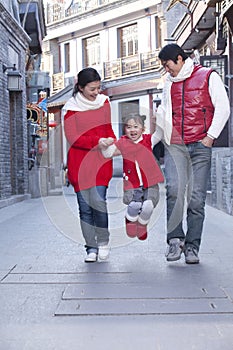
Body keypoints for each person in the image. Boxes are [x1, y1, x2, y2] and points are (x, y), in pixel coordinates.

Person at [155, 43, 230, 264]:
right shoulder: (168, 82)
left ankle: (192, 247)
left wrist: (210, 137)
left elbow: (223, 107)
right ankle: (174, 240)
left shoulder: (208, 76)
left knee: (196, 199)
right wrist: (151, 140)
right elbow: (164, 113)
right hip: (175, 144)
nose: (166, 70)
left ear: (179, 59)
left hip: (200, 145)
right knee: (174, 190)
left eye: (167, 65)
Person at [63, 67, 116, 263]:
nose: (96, 93)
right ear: (81, 87)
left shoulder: (104, 102)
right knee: (85, 208)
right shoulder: (70, 108)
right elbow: (73, 137)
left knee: (99, 203)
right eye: (92, 89)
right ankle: (90, 248)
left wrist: (111, 139)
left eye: (98, 88)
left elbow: (108, 128)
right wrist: (96, 141)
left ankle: (103, 242)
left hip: (100, 161)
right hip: (79, 162)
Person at [101, 114, 164, 240]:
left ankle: (142, 226)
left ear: (142, 128)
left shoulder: (148, 140)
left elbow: (160, 134)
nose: (132, 130)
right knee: (134, 206)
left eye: (136, 126)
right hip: (132, 184)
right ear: (125, 129)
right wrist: (104, 145)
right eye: (129, 127)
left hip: (150, 182)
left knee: (148, 206)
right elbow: (108, 154)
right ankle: (130, 220)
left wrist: (159, 120)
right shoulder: (123, 143)